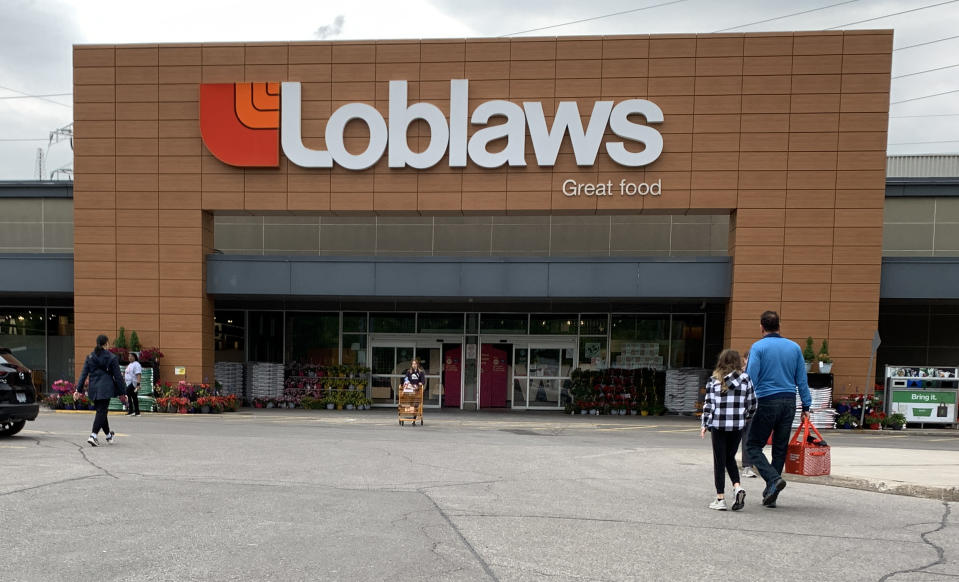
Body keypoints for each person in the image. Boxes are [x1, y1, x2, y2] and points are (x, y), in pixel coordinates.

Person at [745, 311, 812, 508]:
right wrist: (806, 406)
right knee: (780, 448)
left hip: (766, 401)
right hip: (789, 402)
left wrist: (746, 403)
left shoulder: (758, 347)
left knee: (753, 446)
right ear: (779, 326)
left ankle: (773, 480)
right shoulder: (794, 348)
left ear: (761, 327)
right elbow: (802, 380)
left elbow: (751, 379)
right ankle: (771, 491)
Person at [701, 349, 756, 511]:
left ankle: (720, 498)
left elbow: (708, 405)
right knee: (729, 457)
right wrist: (747, 416)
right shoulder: (746, 379)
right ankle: (737, 487)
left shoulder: (714, 380)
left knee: (720, 461)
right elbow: (753, 402)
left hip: (718, 425)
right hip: (737, 425)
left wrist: (705, 424)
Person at [74, 334, 125, 447]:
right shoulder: (112, 357)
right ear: (106, 344)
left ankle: (108, 435)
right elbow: (118, 377)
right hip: (106, 388)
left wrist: (78, 390)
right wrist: (123, 392)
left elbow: (83, 374)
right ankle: (93, 435)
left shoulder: (90, 357)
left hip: (93, 388)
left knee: (102, 412)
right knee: (101, 411)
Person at [739, 350, 757, 478]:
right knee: (742, 436)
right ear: (745, 359)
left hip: (748, 408)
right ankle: (746, 465)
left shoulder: (753, 372)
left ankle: (748, 465)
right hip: (742, 408)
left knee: (747, 437)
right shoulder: (741, 374)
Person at [124, 351, 142, 416]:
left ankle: (131, 410)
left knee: (128, 393)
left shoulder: (136, 364)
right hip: (128, 383)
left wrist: (138, 384)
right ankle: (136, 412)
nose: (129, 357)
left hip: (133, 383)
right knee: (134, 397)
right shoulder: (130, 364)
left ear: (135, 357)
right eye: (129, 356)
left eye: (131, 356)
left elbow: (138, 374)